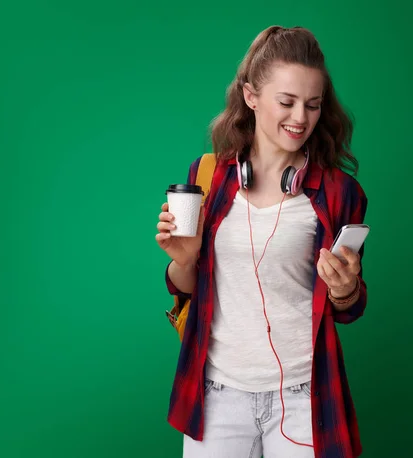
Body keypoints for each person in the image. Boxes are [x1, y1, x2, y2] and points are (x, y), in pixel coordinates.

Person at [156, 25, 369, 458]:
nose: (300, 118)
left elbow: (350, 307)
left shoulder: (338, 193)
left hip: (302, 396)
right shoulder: (208, 176)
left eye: (312, 105)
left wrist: (346, 291)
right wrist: (184, 261)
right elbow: (186, 285)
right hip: (216, 395)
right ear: (251, 96)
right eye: (286, 102)